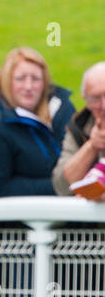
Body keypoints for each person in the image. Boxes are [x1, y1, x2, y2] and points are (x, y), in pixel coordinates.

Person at [0, 47, 73, 198]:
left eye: (35, 79)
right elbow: (0, 187)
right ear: (7, 81)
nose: (28, 86)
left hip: (73, 216)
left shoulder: (64, 112)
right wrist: (64, 186)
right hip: (18, 219)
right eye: (20, 78)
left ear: (45, 83)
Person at [51, 61, 105, 198]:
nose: (104, 105)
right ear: (85, 100)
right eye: (96, 98)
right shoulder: (79, 127)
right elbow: (61, 187)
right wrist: (92, 146)